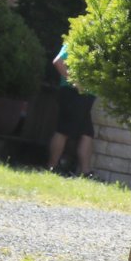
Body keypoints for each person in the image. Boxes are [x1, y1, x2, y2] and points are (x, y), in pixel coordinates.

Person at [48, 42, 97, 177]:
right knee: (64, 129)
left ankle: (86, 173)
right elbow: (58, 62)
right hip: (72, 93)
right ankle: (52, 167)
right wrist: (76, 83)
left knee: (87, 132)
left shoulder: (98, 44)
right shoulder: (75, 41)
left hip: (87, 95)